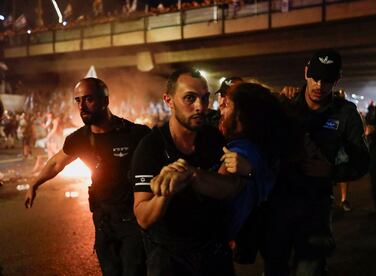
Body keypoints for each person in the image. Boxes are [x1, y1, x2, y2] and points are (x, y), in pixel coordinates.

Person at [25, 77, 149, 276]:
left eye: (88, 99)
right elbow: (56, 163)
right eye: (78, 100)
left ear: (105, 101)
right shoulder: (79, 139)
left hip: (133, 222)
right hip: (103, 223)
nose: (81, 106)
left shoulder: (135, 134)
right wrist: (34, 184)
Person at [263, 49, 370, 276]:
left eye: (327, 79)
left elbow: (362, 162)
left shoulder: (346, 113)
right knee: (274, 268)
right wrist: (279, 105)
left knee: (310, 270)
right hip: (278, 204)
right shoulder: (285, 104)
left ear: (338, 78)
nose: (320, 85)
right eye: (315, 77)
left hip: (315, 207)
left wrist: (331, 171)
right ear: (305, 73)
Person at [131, 68, 237, 276]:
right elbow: (143, 216)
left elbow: (229, 188)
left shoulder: (213, 138)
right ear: (168, 101)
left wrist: (192, 174)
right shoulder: (151, 147)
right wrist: (166, 191)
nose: (200, 106)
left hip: (214, 252)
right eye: (190, 98)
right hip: (170, 258)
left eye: (204, 98)